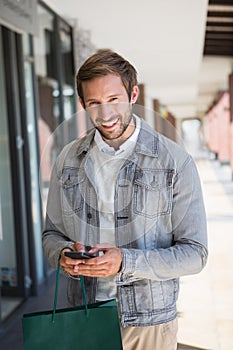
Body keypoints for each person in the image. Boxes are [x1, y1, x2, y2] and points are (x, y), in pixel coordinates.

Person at [42, 49, 208, 350]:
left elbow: (195, 254)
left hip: (149, 323)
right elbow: (51, 236)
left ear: (133, 94)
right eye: (94, 103)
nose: (105, 115)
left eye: (114, 99)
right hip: (84, 314)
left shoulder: (175, 161)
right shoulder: (67, 159)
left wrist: (125, 262)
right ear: (82, 104)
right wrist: (64, 254)